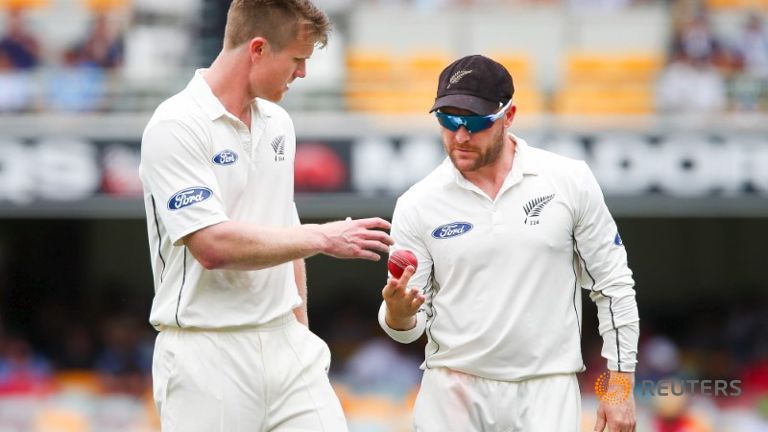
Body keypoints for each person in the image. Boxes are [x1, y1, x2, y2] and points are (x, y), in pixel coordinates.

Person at [138, 1, 393, 430]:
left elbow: (283, 224)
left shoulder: (278, 122)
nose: (303, 73)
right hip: (205, 352)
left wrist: (301, 329)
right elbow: (212, 246)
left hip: (287, 347)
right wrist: (323, 238)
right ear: (257, 49)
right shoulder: (176, 125)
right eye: (297, 59)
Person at [378, 55, 640, 432]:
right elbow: (407, 327)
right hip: (452, 389)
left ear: (509, 115)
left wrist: (619, 390)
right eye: (448, 121)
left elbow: (613, 285)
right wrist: (398, 314)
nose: (461, 136)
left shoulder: (569, 180)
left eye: (475, 123)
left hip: (547, 389)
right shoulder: (418, 203)